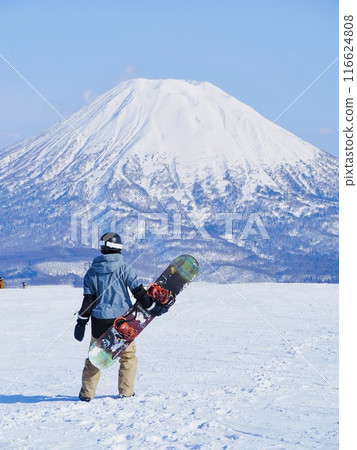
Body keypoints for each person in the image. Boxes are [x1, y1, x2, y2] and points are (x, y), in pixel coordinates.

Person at [74, 232, 169, 402]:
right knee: (128, 357)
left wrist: (81, 322)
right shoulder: (125, 268)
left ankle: (86, 393)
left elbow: (88, 300)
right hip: (124, 322)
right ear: (119, 248)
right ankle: (126, 392)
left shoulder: (92, 272)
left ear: (102, 248)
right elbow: (138, 293)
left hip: (99, 321)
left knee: (96, 358)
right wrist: (153, 307)